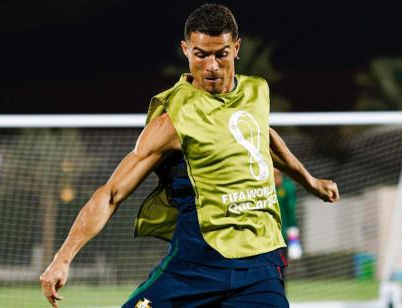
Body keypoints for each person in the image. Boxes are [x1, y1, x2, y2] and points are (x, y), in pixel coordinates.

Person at [40, 4, 339, 307]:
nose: (211, 66)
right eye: (201, 54)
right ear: (186, 49)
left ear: (236, 48)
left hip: (259, 268)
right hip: (195, 268)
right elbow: (112, 193)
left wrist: (310, 181)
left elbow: (265, 137)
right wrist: (63, 258)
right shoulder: (174, 119)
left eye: (221, 54)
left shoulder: (256, 92)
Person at [274, 168, 302, 283]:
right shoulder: (265, 186)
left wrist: (294, 240)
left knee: (281, 269)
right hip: (268, 235)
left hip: (282, 236)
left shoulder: (287, 187)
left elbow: (291, 212)